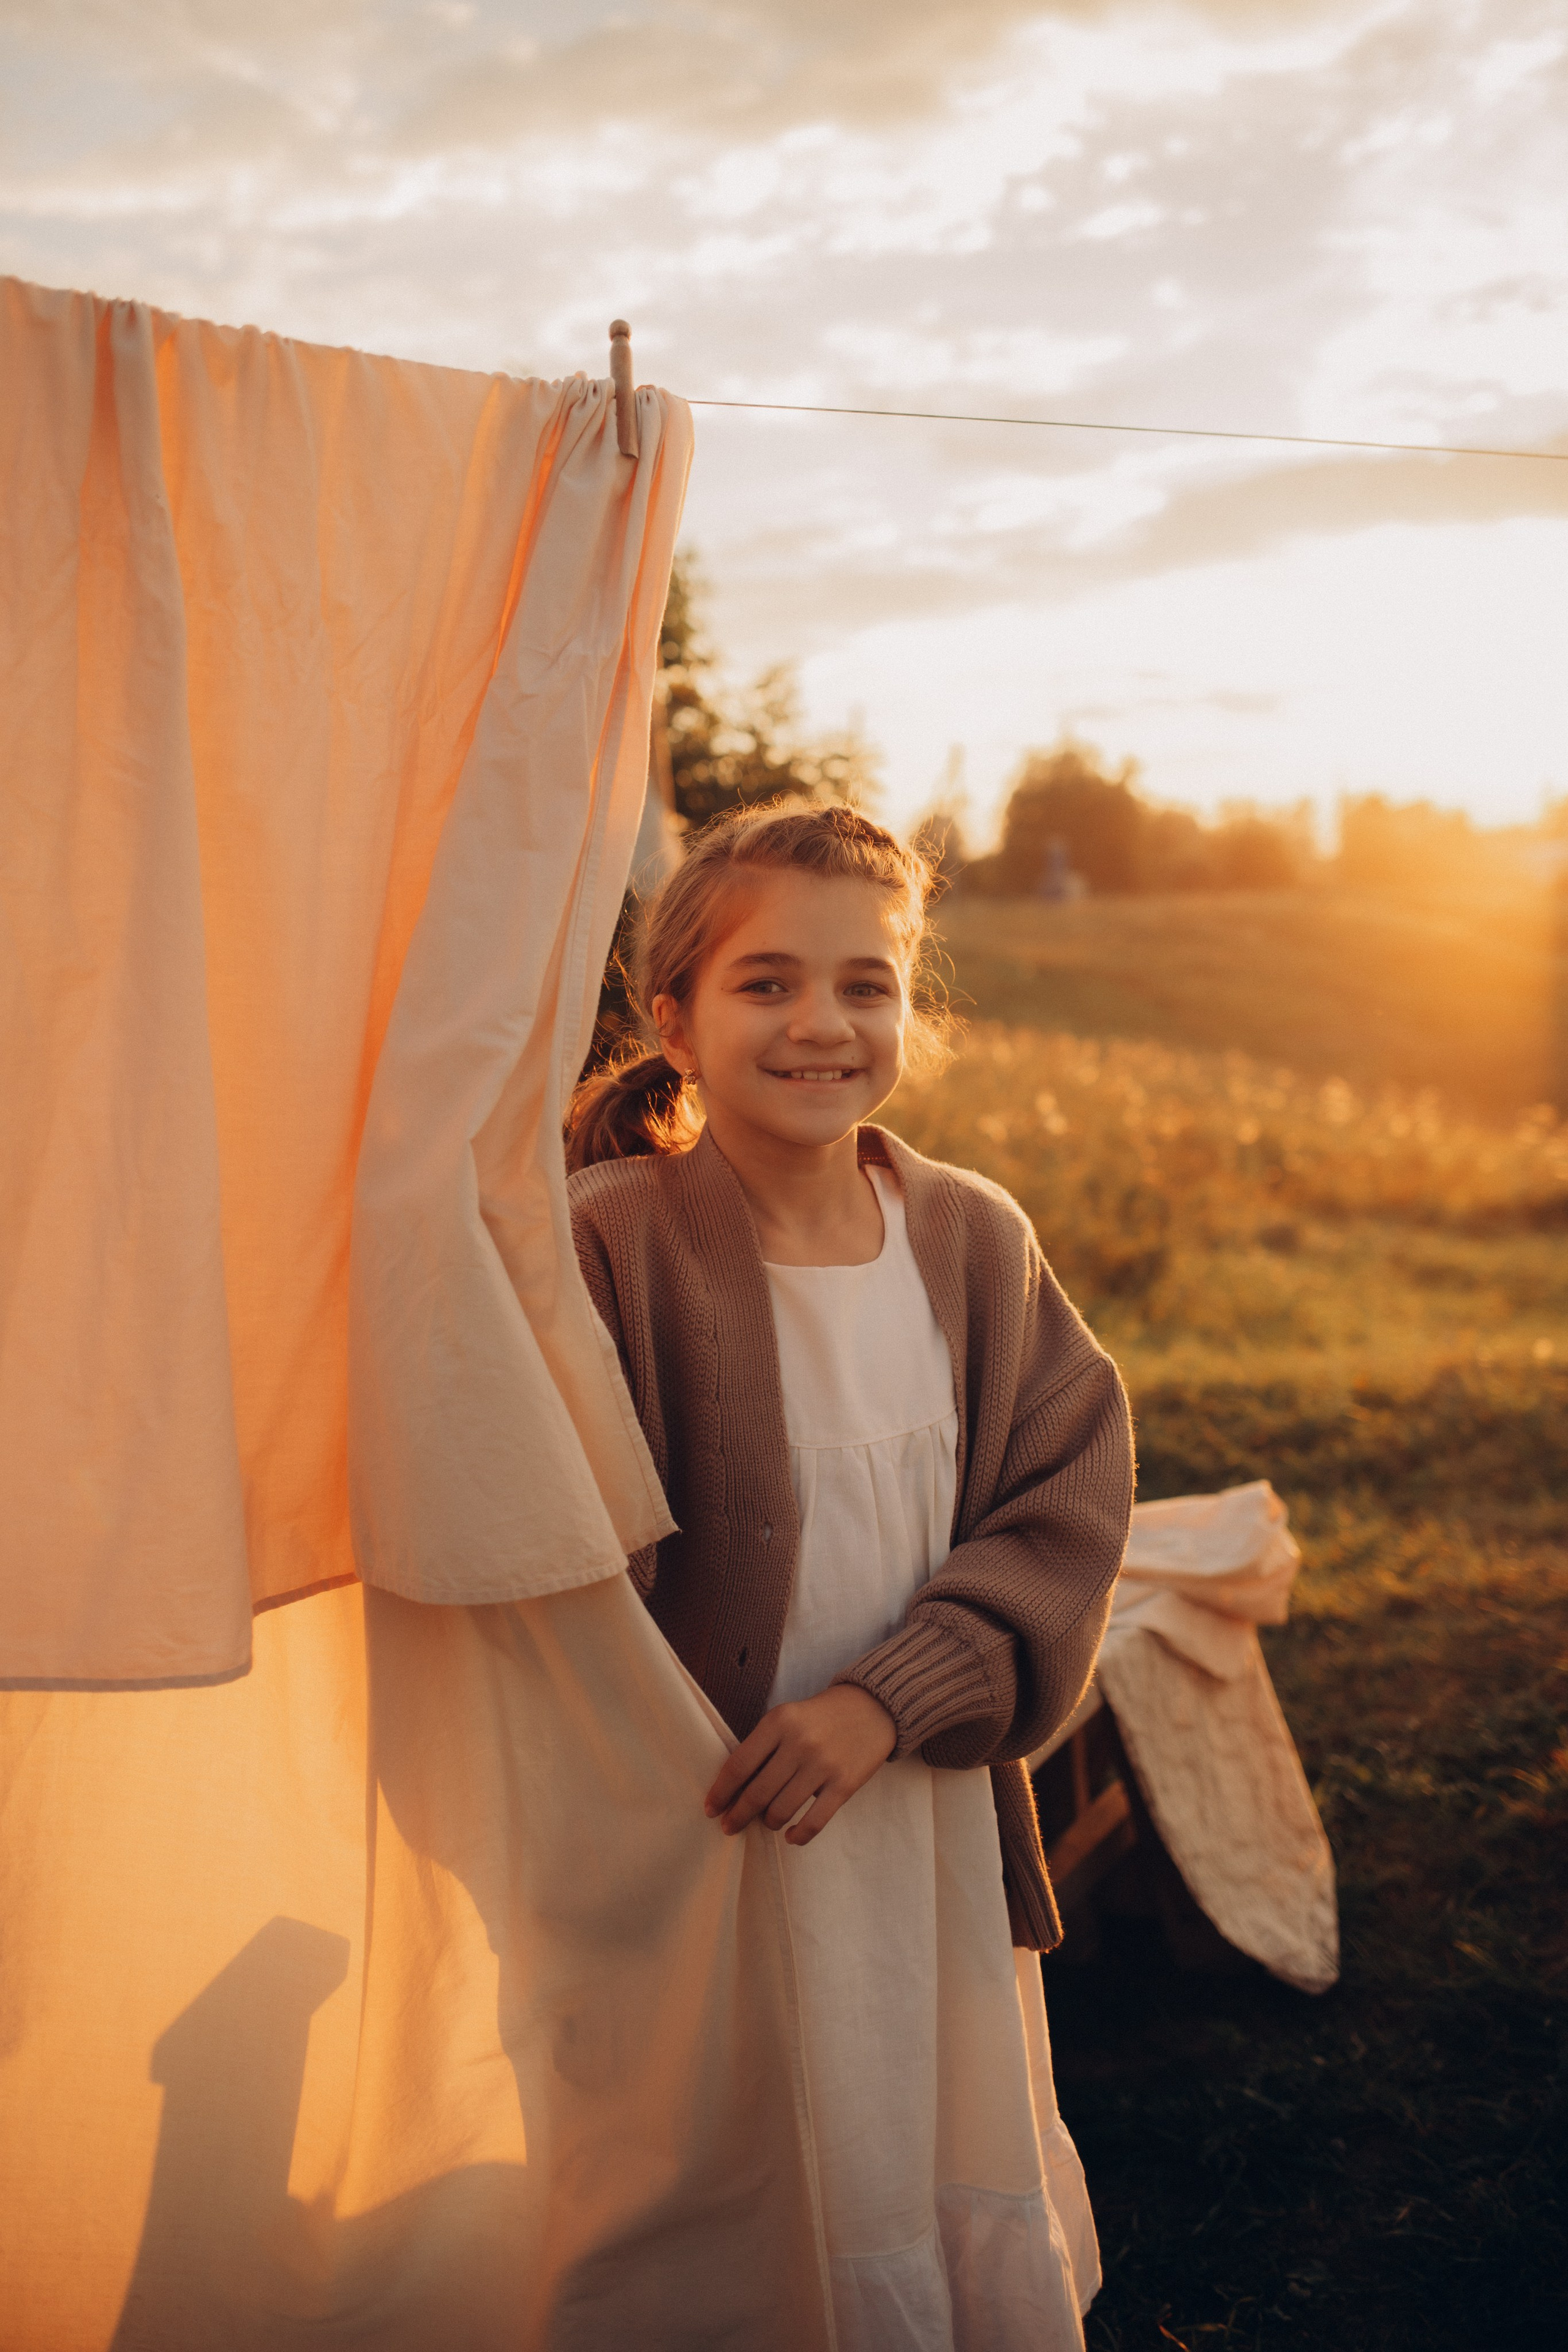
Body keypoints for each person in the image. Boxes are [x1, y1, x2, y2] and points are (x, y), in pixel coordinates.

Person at [565, 801, 1134, 2350]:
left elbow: (1063, 1503)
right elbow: (557, 1551)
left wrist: (890, 1700)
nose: (821, 1022)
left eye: (865, 983)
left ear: (908, 1009)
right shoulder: (604, 1243)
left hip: (923, 1823)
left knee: (911, 2133)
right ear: (670, 1021)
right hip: (714, 1839)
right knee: (750, 2185)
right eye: (765, 983)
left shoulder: (968, 1237)